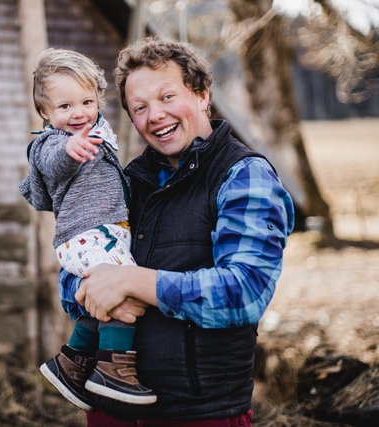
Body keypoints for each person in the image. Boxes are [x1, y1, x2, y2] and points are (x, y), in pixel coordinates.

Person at [59, 36, 295, 426]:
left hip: (197, 413)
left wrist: (132, 282)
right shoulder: (125, 182)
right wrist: (92, 288)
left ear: (202, 94)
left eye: (167, 97)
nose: (155, 116)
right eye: (140, 107)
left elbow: (245, 292)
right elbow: (70, 276)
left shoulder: (244, 176)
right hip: (109, 407)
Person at [19, 48, 157, 410]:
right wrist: (69, 148)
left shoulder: (98, 130)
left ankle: (72, 363)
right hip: (83, 236)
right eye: (64, 107)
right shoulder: (50, 143)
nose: (78, 113)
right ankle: (113, 368)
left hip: (105, 233)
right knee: (124, 287)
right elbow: (49, 163)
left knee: (107, 294)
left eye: (86, 101)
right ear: (46, 114)